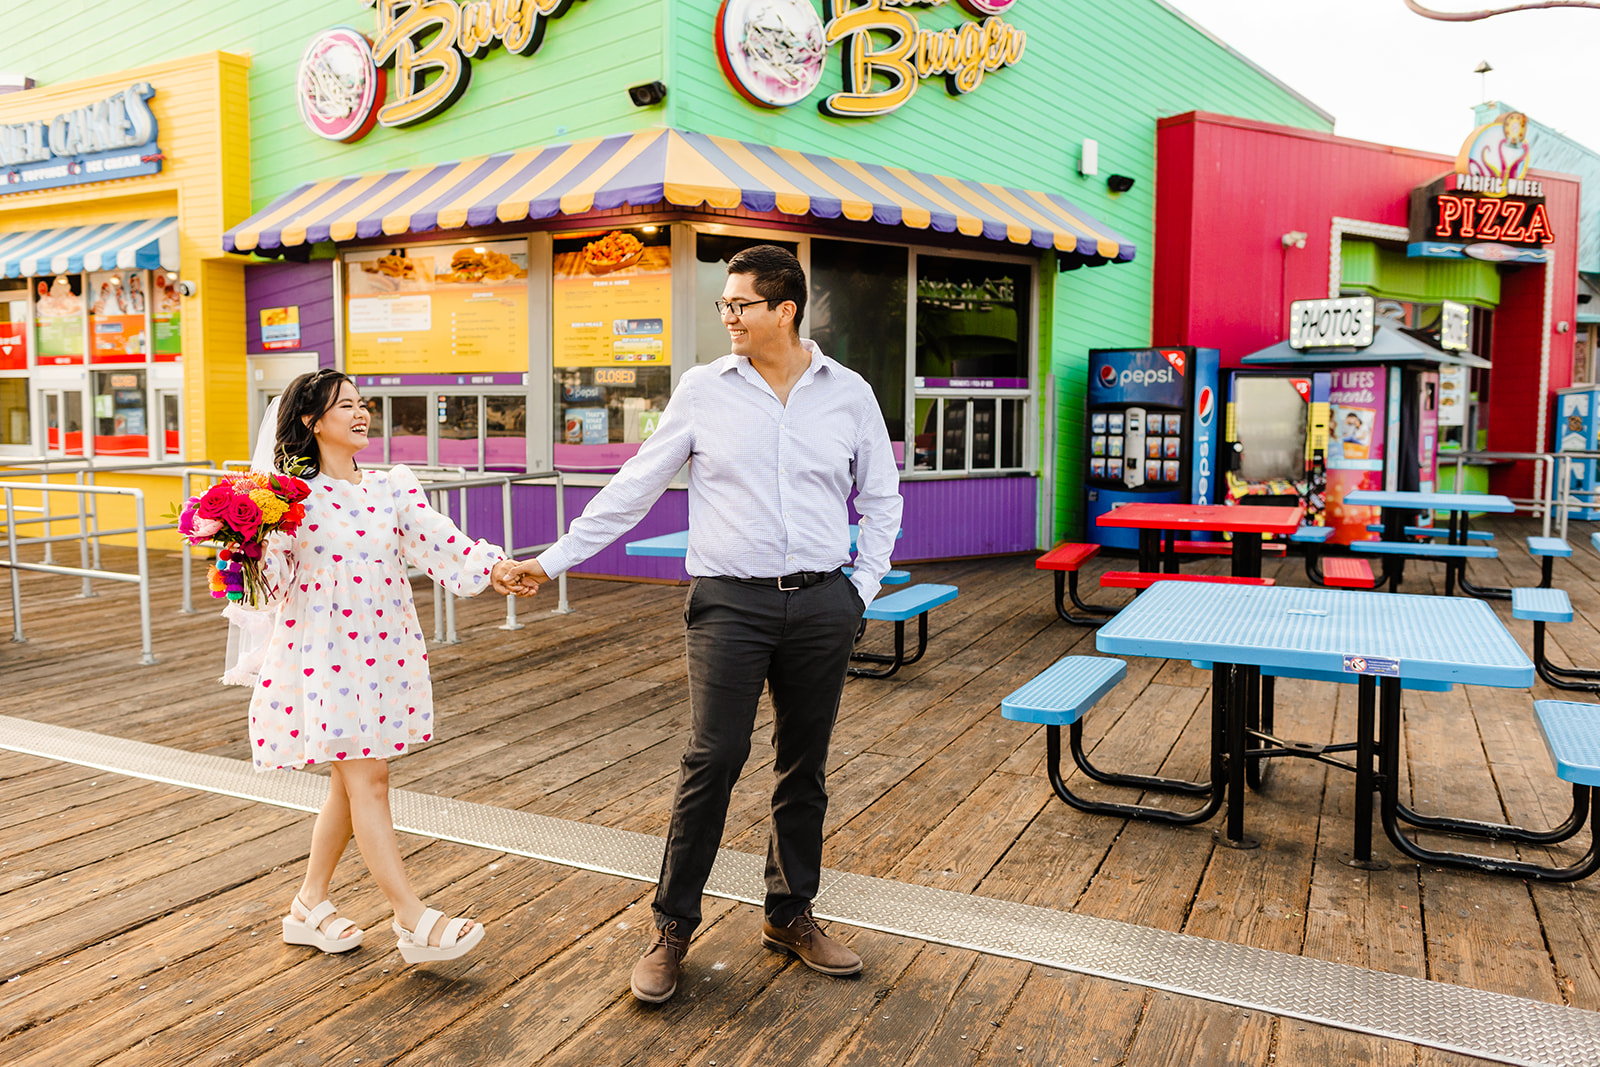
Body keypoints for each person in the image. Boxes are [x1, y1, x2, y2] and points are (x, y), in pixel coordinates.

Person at [506, 244, 902, 1003]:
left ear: (784, 308)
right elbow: (634, 487)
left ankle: (790, 914)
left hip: (824, 602)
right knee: (712, 759)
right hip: (729, 603)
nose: (726, 316)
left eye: (739, 305)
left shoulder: (849, 394)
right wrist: (552, 560)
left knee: (804, 765)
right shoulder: (702, 389)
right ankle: (671, 927)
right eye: (723, 304)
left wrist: (861, 588)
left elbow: (881, 499)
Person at [245, 368, 531, 966]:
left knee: (348, 789)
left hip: (381, 652)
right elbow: (266, 593)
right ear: (309, 420)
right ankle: (412, 919)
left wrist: (496, 568)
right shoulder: (288, 500)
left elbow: (439, 541)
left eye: (361, 403)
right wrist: (247, 538)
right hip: (325, 658)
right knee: (369, 781)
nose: (360, 413)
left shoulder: (391, 488)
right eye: (343, 405)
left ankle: (307, 905)